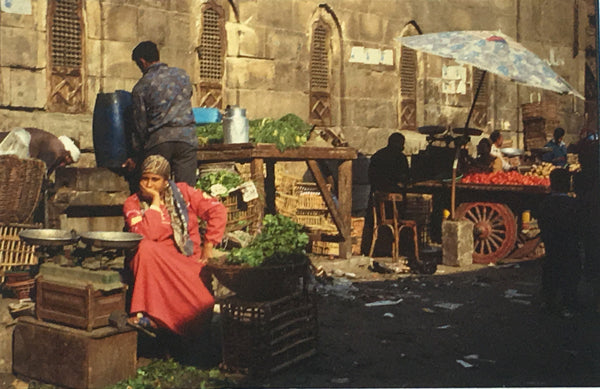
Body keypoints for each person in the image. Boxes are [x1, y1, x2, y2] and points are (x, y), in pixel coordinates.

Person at [123, 155, 227, 338]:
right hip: (152, 264)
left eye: (155, 180)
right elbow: (147, 234)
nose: (149, 184)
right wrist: (155, 202)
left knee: (203, 304)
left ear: (165, 181)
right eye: (144, 178)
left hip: (185, 261)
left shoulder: (183, 193)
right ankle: (146, 315)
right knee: (145, 247)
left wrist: (208, 246)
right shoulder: (132, 203)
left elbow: (217, 210)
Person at [122, 41, 199, 187]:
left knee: (155, 188)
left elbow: (140, 125)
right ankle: (185, 210)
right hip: (186, 138)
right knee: (186, 190)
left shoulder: (142, 86)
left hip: (159, 141)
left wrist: (136, 154)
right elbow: (187, 96)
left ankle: (157, 210)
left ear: (142, 62)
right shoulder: (182, 76)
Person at [535, 168, 581, 318]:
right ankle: (568, 304)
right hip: (570, 245)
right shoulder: (573, 204)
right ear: (568, 185)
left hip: (552, 244)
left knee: (551, 271)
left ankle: (548, 301)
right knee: (570, 274)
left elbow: (542, 223)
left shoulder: (545, 204)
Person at [361, 132, 410, 256]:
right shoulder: (400, 158)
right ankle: (397, 248)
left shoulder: (377, 156)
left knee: (373, 222)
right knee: (401, 216)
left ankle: (370, 248)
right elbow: (405, 178)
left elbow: (370, 177)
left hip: (375, 199)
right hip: (392, 203)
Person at [0, 127, 80, 175]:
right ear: (68, 155)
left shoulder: (54, 143)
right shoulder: (56, 152)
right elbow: (40, 171)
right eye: (68, 162)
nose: (64, 165)